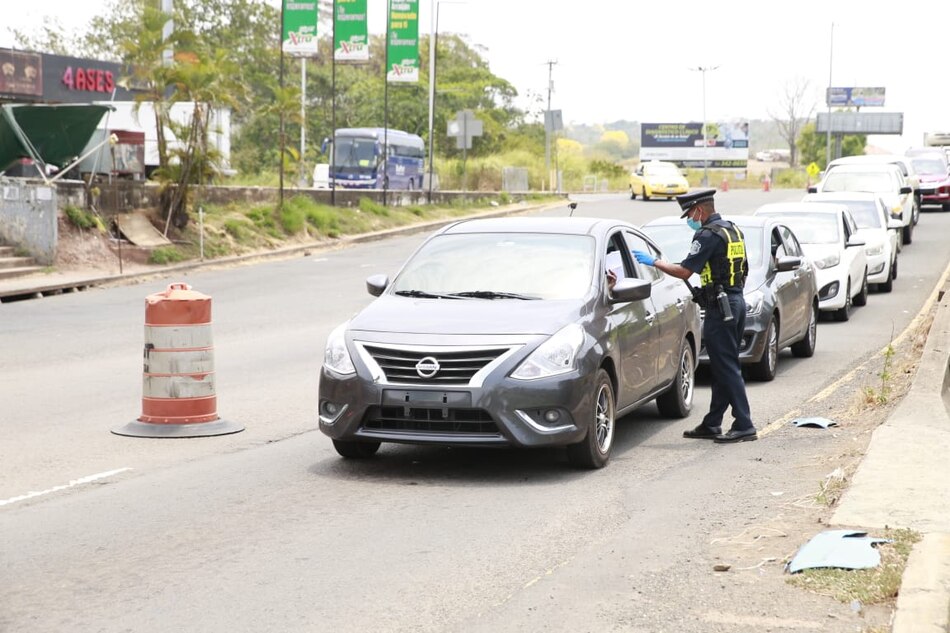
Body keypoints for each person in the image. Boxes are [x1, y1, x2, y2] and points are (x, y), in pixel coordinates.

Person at [632, 189, 757, 443]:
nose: (690, 219)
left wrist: (654, 263)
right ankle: (712, 423)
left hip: (720, 310)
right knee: (724, 366)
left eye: (690, 214)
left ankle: (744, 423)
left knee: (728, 368)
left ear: (699, 210)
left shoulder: (708, 235)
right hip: (735, 302)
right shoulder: (732, 230)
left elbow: (685, 271)